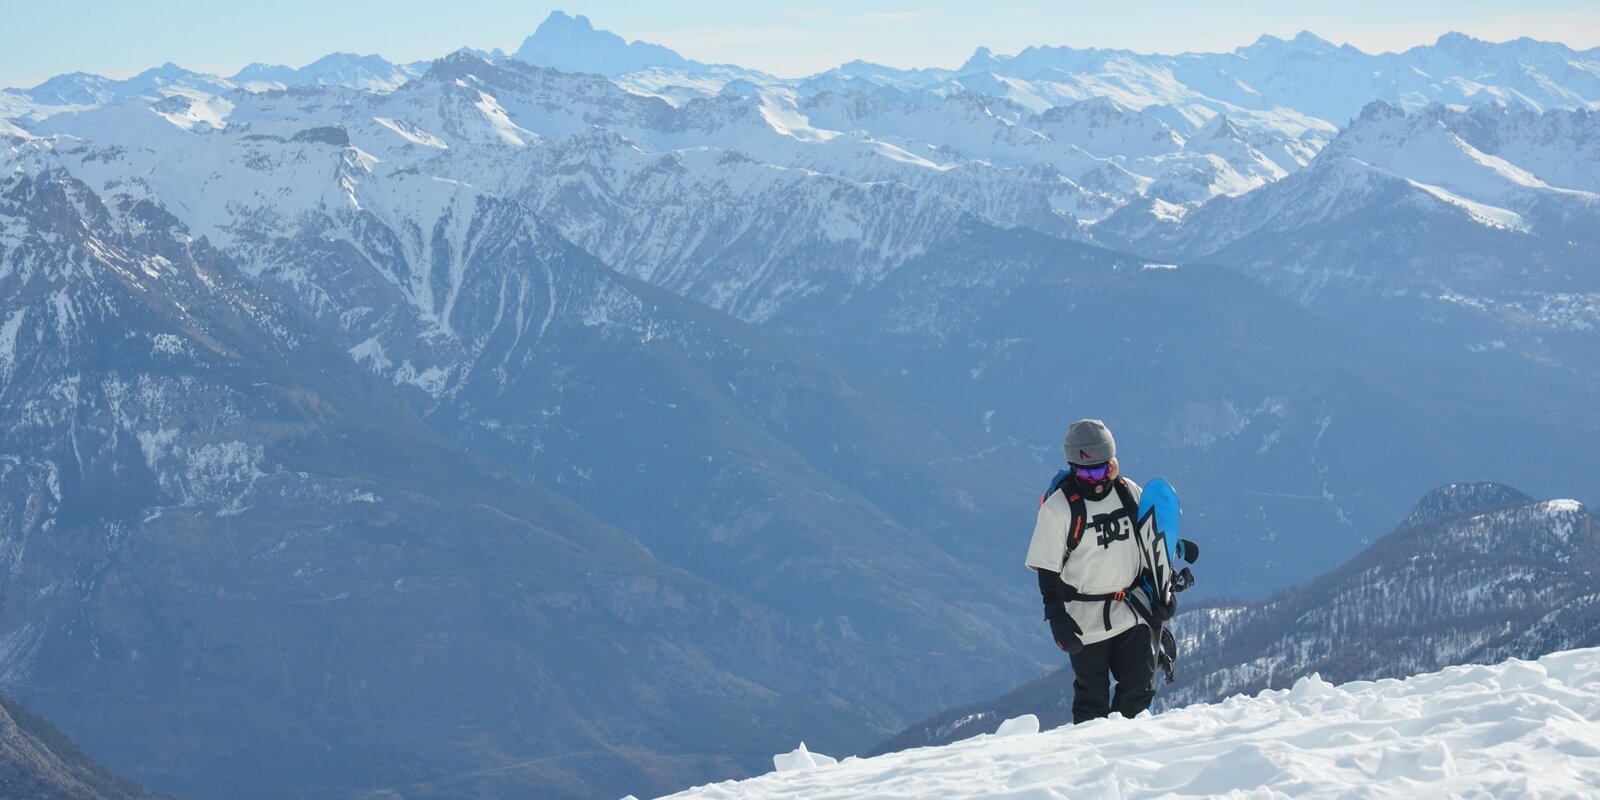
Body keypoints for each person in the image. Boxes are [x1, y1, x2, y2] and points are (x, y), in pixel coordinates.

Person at [1024, 418, 1170, 724]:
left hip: (1131, 609)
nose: (1097, 479)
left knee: (1139, 691)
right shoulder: (1059, 509)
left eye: (1104, 469)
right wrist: (1056, 616)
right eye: (1087, 472)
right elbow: (1047, 569)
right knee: (1093, 700)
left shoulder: (1128, 492)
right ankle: (1092, 762)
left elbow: (1151, 540)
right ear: (1073, 467)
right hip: (1083, 618)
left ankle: (1129, 753)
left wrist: (1162, 588)